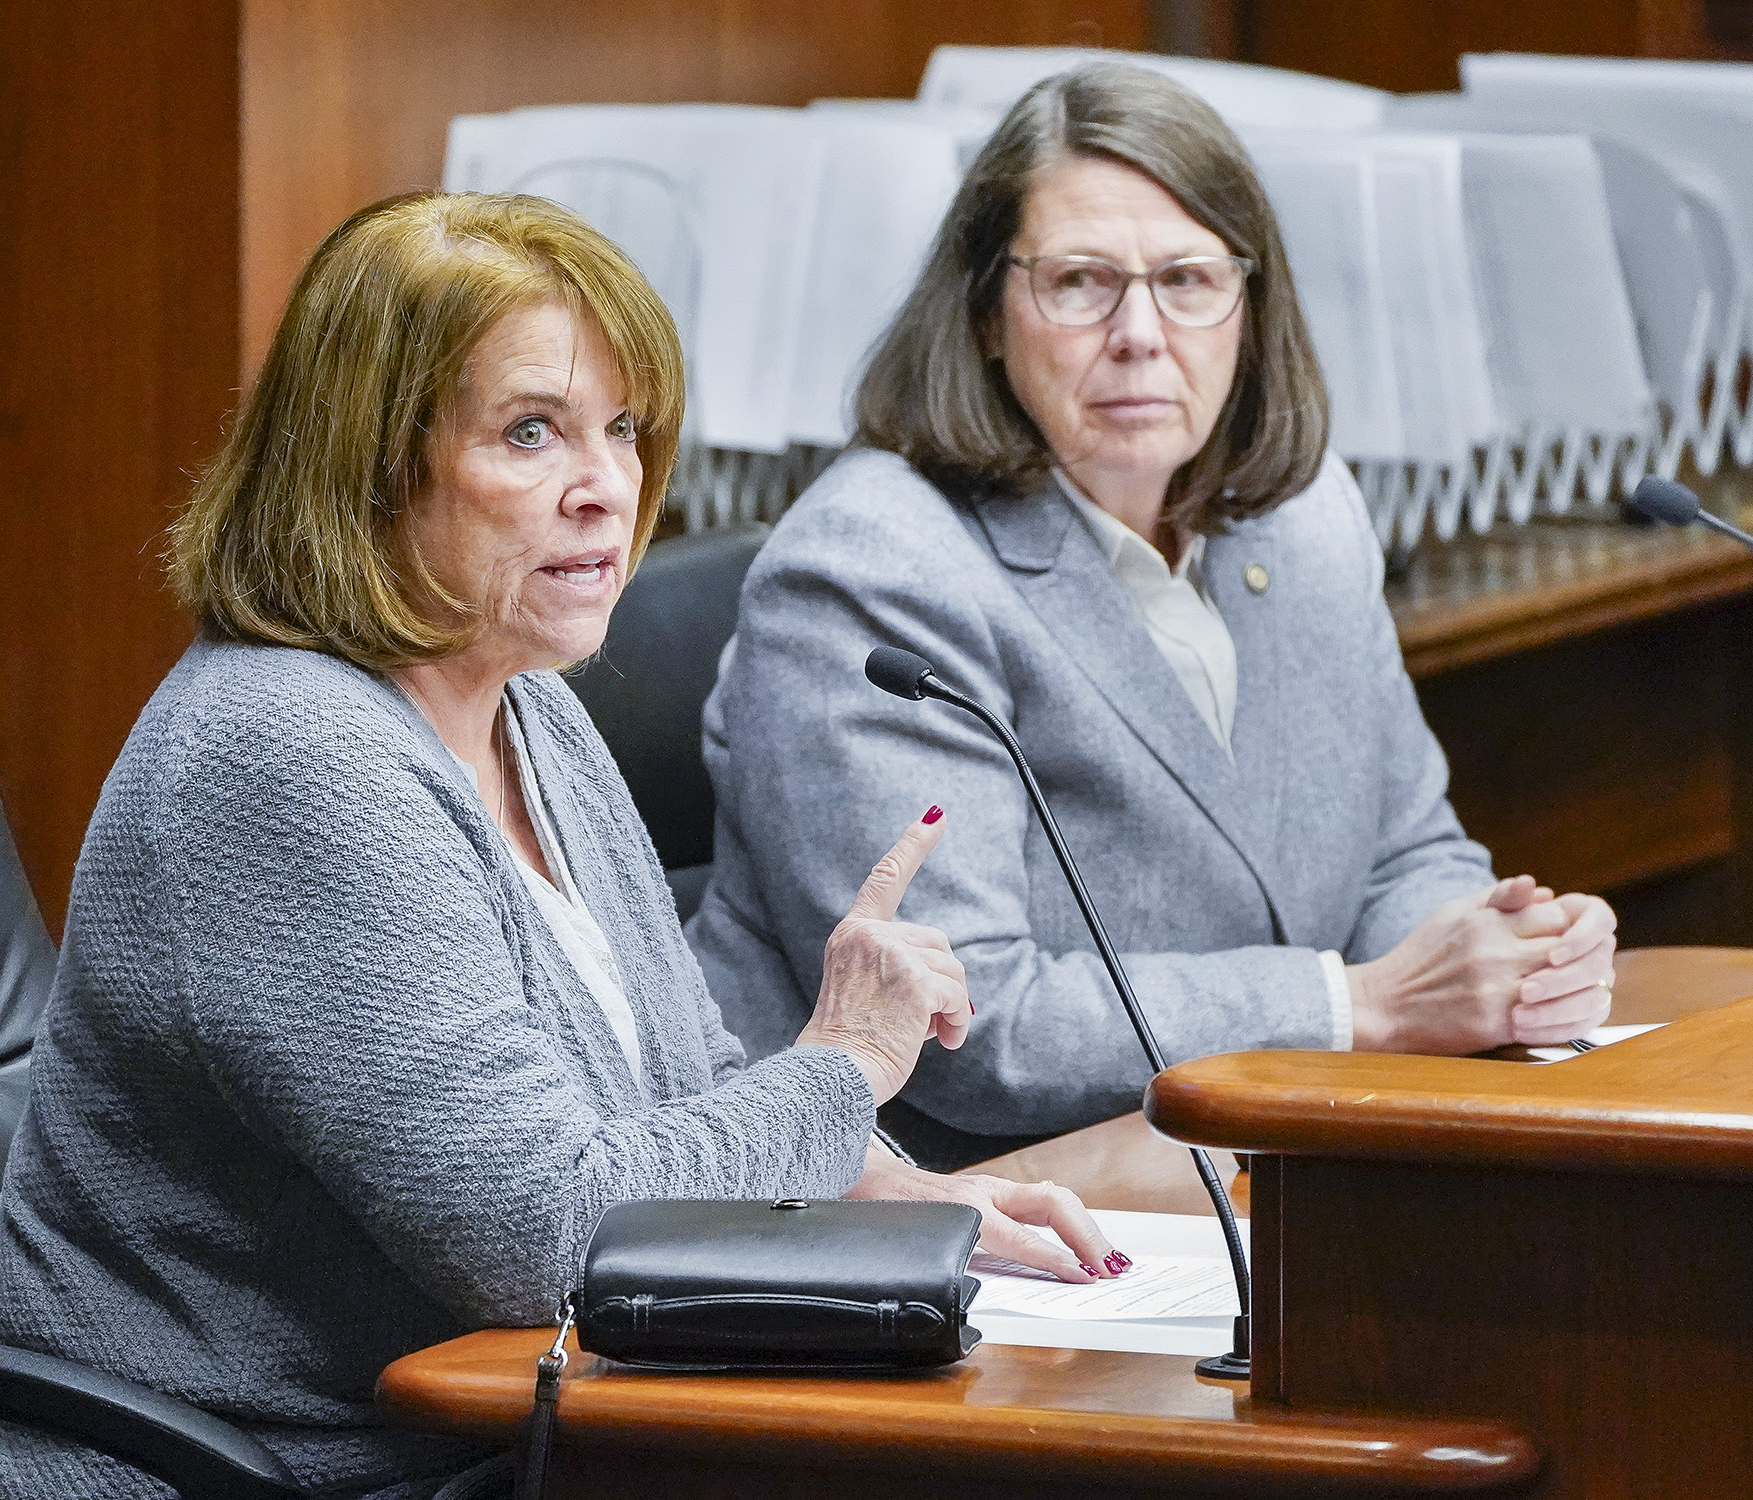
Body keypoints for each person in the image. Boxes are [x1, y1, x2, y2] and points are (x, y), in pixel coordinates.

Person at [0, 192, 1118, 1500]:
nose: (605, 486)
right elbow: (550, 1236)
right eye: (531, 433)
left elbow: (680, 1078)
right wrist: (847, 1064)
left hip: (502, 1435)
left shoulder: (523, 699)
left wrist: (874, 1189)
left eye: (620, 429)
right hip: (269, 1472)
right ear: (372, 462)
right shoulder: (286, 756)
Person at [686, 63, 1619, 1171]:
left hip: (1245, 1167)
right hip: (952, 1211)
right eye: (1081, 282)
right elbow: (971, 1030)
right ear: (988, 312)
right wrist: (1355, 1004)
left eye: (1187, 278)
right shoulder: (875, 567)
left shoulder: (1305, 516)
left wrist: (1502, 956)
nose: (1139, 331)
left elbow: (1400, 849)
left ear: (1248, 307)